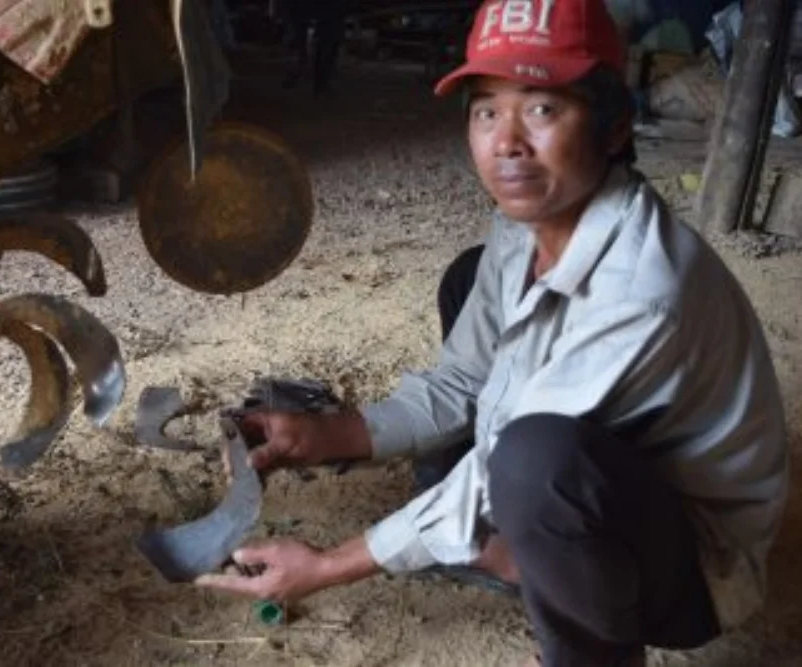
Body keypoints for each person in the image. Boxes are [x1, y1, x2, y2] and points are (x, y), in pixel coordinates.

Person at [195, 1, 791, 665]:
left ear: (615, 126)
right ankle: (510, 541)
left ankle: (585, 642)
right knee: (469, 279)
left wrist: (329, 564)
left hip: (694, 570)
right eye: (486, 111)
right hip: (597, 477)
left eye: (541, 108)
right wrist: (325, 433)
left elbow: (509, 455)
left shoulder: (643, 290)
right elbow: (462, 380)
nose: (506, 141)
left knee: (534, 462)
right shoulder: (525, 225)